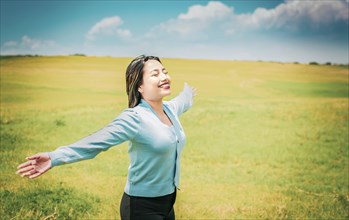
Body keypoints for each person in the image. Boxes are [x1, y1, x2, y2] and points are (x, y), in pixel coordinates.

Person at [16, 55, 196, 220]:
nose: (164, 77)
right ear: (139, 86)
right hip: (141, 206)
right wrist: (54, 157)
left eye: (165, 72)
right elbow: (95, 143)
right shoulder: (134, 118)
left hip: (168, 203)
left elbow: (184, 100)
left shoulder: (170, 109)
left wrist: (189, 91)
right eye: (155, 74)